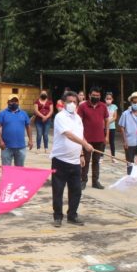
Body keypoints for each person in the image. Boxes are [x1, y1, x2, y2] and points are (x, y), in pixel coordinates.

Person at [51, 92, 93, 227]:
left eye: (75, 102)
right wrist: (85, 145)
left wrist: (81, 153)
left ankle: (72, 215)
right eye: (69, 101)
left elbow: (80, 136)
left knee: (76, 190)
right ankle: (58, 217)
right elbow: (68, 135)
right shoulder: (60, 117)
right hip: (60, 160)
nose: (72, 104)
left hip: (75, 161)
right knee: (58, 190)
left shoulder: (78, 118)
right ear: (63, 103)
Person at [77, 86, 109, 189]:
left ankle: (95, 181)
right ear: (89, 95)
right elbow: (78, 122)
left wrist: (107, 135)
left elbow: (107, 121)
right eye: (94, 95)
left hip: (99, 139)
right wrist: (81, 139)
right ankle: (83, 181)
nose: (96, 97)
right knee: (85, 161)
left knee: (96, 161)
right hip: (86, 140)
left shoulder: (103, 106)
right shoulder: (83, 106)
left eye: (98, 95)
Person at [0, 95, 33, 166]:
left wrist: (30, 140)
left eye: (15, 101)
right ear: (8, 102)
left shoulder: (23, 113)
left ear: (18, 102)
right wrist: (0, 141)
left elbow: (28, 126)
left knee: (19, 170)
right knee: (6, 170)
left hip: (21, 147)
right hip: (6, 147)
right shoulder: (2, 113)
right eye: (11, 101)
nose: (14, 103)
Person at [118, 92, 137, 174]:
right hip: (129, 142)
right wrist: (125, 141)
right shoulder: (125, 114)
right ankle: (130, 178)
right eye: (134, 102)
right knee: (130, 163)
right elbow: (122, 127)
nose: (136, 104)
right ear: (131, 102)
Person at [105, 93, 118, 158]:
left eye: (110, 99)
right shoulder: (103, 106)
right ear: (105, 99)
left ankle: (113, 157)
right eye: (107, 98)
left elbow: (115, 117)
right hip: (104, 127)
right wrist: (105, 122)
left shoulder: (114, 106)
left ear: (112, 99)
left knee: (112, 142)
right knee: (103, 141)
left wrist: (108, 122)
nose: (108, 100)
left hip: (112, 127)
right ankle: (101, 157)